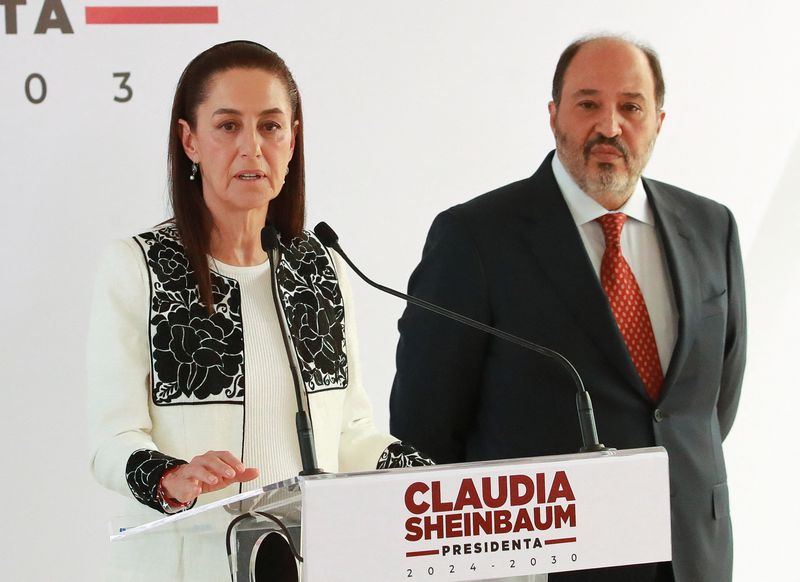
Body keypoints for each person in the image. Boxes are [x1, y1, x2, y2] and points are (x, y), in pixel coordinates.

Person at [391, 35, 745, 582]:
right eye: (587, 104)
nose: (609, 126)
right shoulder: (476, 237)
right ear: (554, 115)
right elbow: (425, 432)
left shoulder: (712, 227)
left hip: (694, 554)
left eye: (631, 106)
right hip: (552, 563)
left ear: (659, 121)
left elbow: (709, 407)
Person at [88, 40, 430, 581]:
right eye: (228, 126)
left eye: (271, 126)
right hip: (184, 565)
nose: (252, 147)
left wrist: (420, 476)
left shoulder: (321, 269)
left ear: (292, 141)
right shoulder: (138, 266)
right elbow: (113, 439)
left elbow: (349, 432)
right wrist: (169, 475)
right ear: (190, 140)